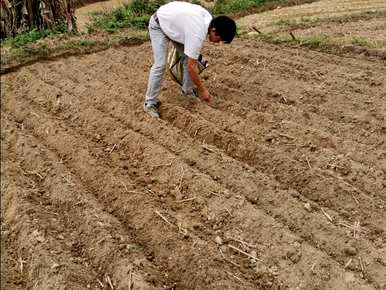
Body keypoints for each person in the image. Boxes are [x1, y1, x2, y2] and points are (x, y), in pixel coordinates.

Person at [144, 1, 236, 118]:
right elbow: (191, 66)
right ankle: (149, 103)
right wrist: (202, 90)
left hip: (174, 24)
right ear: (213, 30)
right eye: (219, 39)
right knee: (160, 64)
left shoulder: (208, 20)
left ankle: (187, 92)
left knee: (190, 57)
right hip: (159, 25)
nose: (219, 43)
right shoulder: (197, 32)